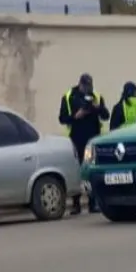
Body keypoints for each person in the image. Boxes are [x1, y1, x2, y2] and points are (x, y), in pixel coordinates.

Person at [58, 73, 109, 215]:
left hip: (93, 138)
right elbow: (62, 118)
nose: (88, 90)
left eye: (90, 87)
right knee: (78, 171)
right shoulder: (69, 97)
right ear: (80, 84)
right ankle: (76, 203)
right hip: (77, 138)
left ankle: (93, 202)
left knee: (92, 169)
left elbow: (106, 115)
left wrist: (96, 107)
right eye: (86, 86)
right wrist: (76, 116)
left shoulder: (96, 96)